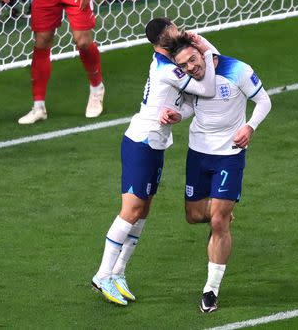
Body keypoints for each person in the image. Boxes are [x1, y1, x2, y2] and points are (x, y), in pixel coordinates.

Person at [90, 18, 218, 306]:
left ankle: (119, 272)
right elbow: (207, 90)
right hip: (142, 142)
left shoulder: (168, 64)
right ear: (164, 39)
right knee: (131, 211)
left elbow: (188, 105)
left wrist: (177, 114)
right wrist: (207, 52)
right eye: (174, 29)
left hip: (155, 144)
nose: (179, 31)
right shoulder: (168, 69)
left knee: (143, 210)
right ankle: (102, 274)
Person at [160, 31, 271, 313]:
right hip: (198, 151)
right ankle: (223, 208)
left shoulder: (238, 69)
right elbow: (189, 106)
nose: (190, 69)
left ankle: (211, 290)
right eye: (183, 65)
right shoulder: (189, 78)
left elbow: (264, 101)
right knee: (194, 215)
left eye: (193, 61)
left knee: (219, 222)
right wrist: (177, 115)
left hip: (229, 154)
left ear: (203, 51)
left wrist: (250, 127)